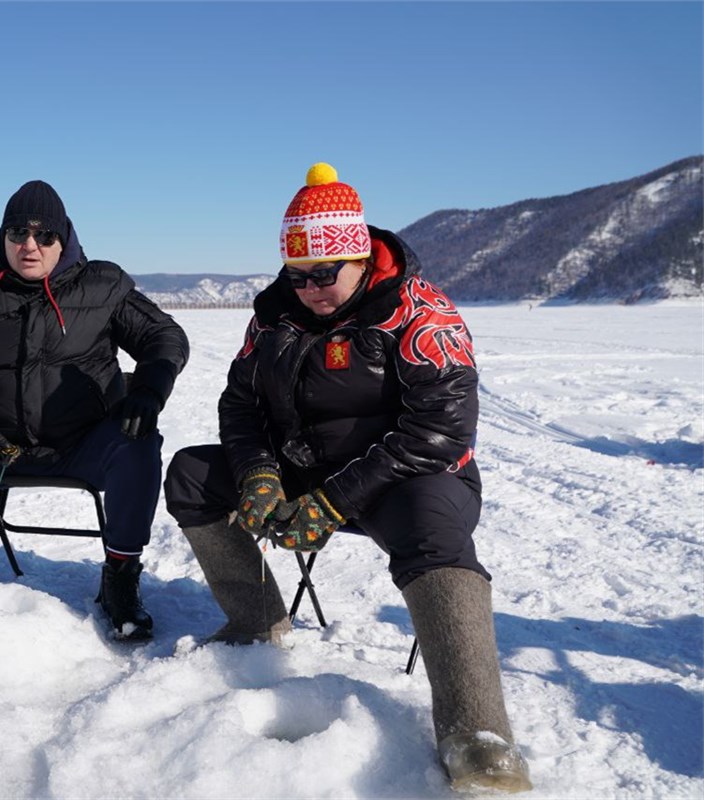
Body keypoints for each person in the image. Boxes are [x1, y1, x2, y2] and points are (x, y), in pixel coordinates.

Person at [163, 163, 532, 792]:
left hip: (407, 479)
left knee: (432, 529)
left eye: (324, 274)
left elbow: (438, 433)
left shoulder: (421, 314)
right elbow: (240, 404)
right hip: (302, 471)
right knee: (193, 474)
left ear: (360, 259)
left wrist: (334, 500)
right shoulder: (273, 317)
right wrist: (256, 474)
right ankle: (256, 620)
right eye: (297, 274)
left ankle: (477, 729)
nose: (309, 288)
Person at [0, 180, 189, 640]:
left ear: (63, 239)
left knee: (139, 438)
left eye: (45, 235)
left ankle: (120, 575)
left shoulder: (103, 286)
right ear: (2, 236)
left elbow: (165, 338)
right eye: (18, 232)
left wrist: (148, 391)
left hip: (84, 447)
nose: (30, 245)